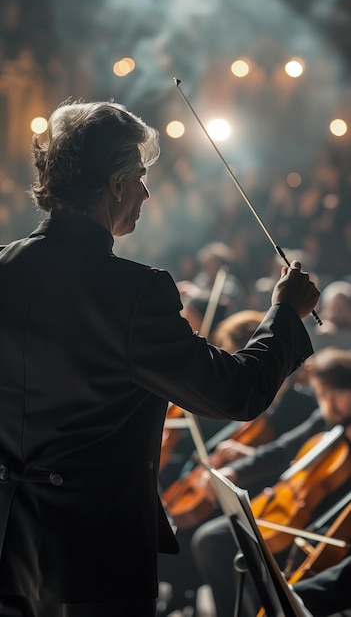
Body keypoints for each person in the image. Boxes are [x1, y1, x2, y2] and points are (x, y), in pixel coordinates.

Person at [0, 99, 319, 617]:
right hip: (96, 557)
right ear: (117, 183)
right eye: (142, 177)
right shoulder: (133, 293)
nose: (147, 192)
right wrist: (285, 315)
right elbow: (236, 392)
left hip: (7, 548)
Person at [191, 347, 351, 617]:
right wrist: (235, 471)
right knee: (210, 539)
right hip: (286, 512)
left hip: (319, 531)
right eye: (322, 395)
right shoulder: (326, 422)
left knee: (253, 568)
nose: (329, 403)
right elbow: (281, 450)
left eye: (337, 394)